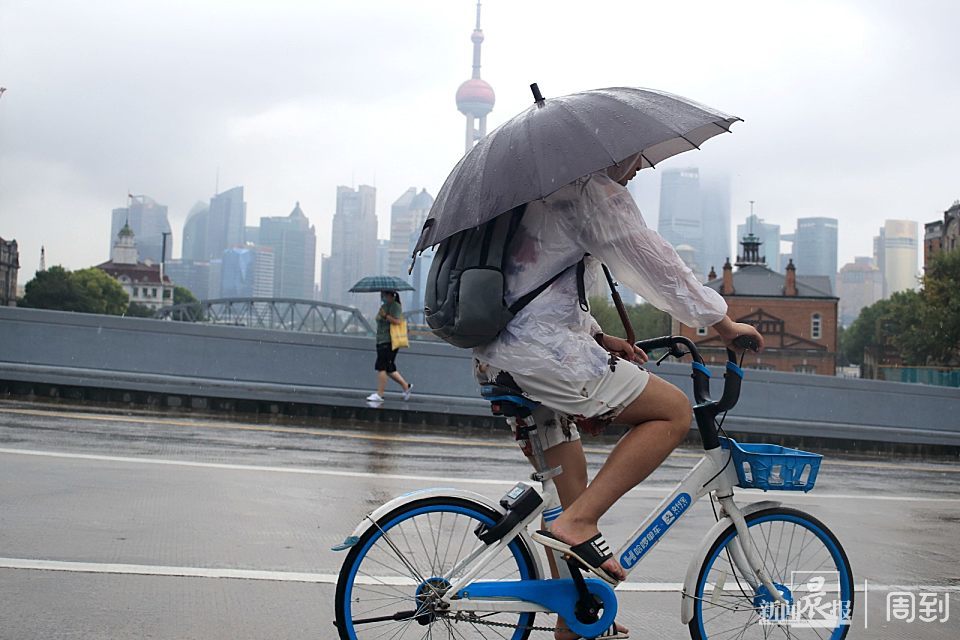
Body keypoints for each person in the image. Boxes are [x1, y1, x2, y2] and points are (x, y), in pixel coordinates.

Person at [474, 154, 764, 640]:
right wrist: (724, 324)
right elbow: (658, 266)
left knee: (568, 491)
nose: (638, 169)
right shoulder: (589, 190)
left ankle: (575, 614)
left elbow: (537, 290)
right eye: (636, 160)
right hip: (544, 359)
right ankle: (581, 524)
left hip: (501, 358)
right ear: (614, 150)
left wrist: (599, 337)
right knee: (671, 411)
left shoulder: (537, 197)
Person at [366, 290, 413, 403]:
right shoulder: (385, 306)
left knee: (381, 367)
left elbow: (397, 321)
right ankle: (406, 386)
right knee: (389, 368)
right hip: (382, 340)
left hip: (389, 341)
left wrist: (385, 315)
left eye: (384, 294)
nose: (382, 296)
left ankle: (379, 394)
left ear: (390, 295)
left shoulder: (395, 306)